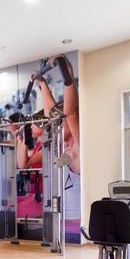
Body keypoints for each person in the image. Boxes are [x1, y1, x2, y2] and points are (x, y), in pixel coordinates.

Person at [34, 55, 81, 241]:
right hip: (59, 228)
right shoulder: (64, 147)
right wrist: (43, 83)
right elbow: (53, 114)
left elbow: (71, 113)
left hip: (75, 230)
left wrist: (67, 71)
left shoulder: (78, 149)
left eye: (64, 122)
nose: (59, 126)